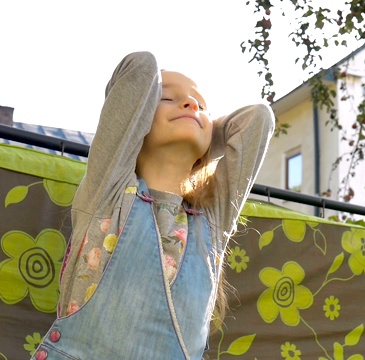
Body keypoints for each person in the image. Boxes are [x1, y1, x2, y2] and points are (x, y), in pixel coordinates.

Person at [32, 51, 274, 359]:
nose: (191, 104)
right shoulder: (109, 189)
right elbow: (139, 69)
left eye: (200, 105)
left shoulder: (212, 221)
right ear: (140, 116)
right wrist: (194, 122)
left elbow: (258, 120)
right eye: (167, 98)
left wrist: (203, 128)